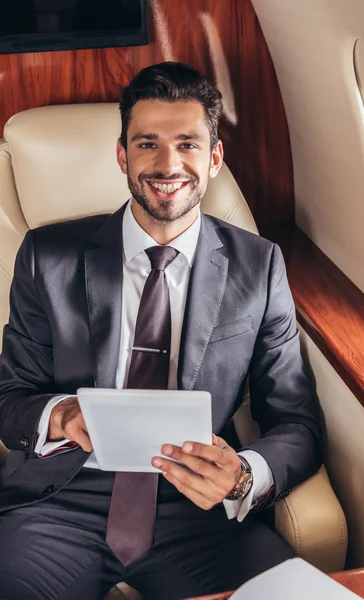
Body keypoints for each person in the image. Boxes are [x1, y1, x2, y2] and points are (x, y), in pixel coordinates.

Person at [0, 62, 322, 600]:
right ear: (123, 155)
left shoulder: (260, 266)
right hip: (59, 504)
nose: (168, 164)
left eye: (188, 144)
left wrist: (242, 476)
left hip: (198, 510)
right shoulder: (46, 257)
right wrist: (61, 415)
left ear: (214, 157)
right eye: (147, 143)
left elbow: (296, 420)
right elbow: (10, 401)